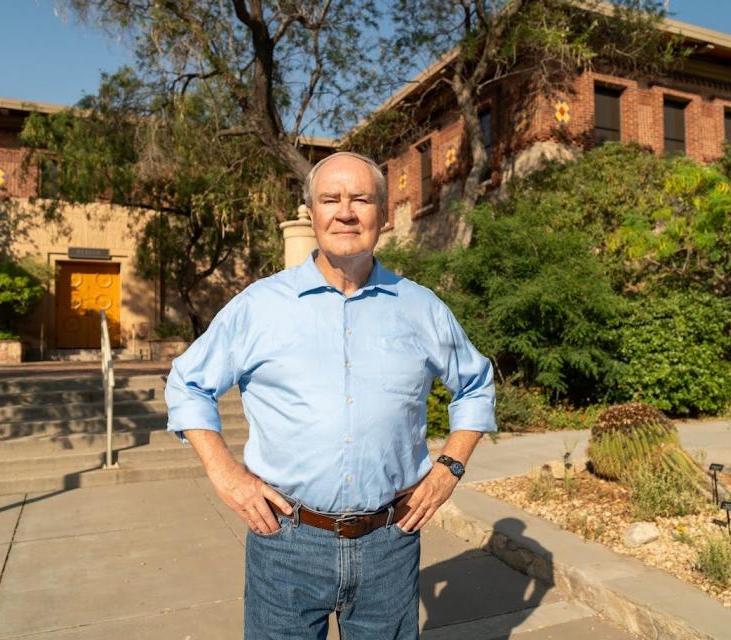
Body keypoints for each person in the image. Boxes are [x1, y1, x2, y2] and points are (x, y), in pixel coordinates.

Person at [165, 151, 496, 639]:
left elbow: (475, 383)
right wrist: (225, 472)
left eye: (361, 199)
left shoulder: (421, 307)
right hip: (285, 540)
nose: (345, 212)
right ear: (312, 213)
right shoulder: (260, 306)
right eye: (330, 199)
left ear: (383, 215)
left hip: (390, 540)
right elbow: (188, 383)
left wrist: (448, 470)